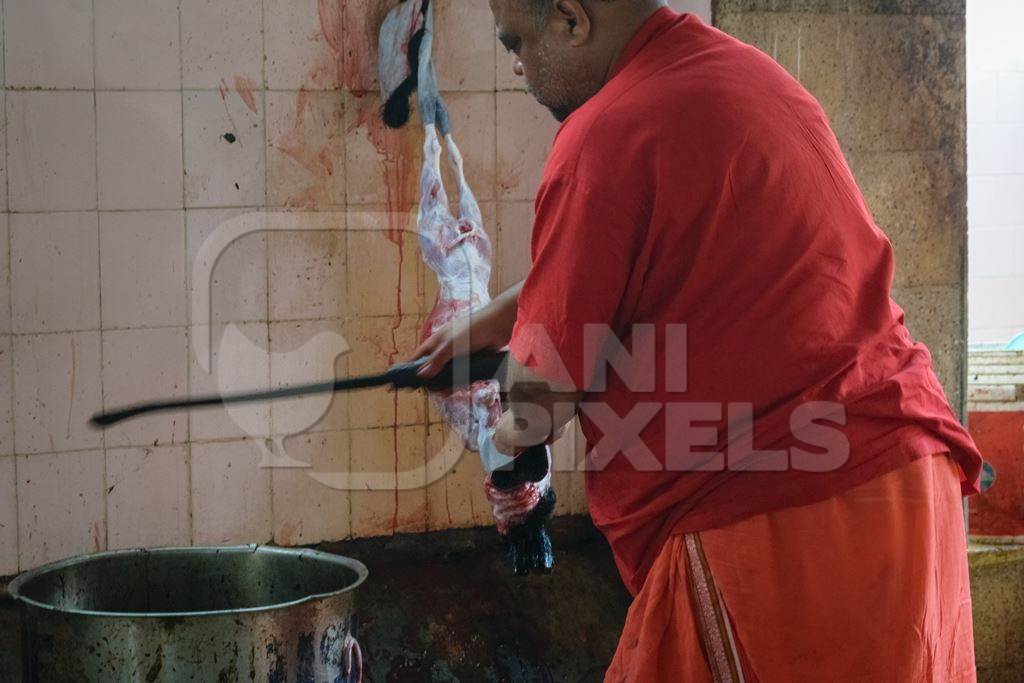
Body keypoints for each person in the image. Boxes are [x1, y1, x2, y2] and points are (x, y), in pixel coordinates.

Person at [411, 1, 982, 680]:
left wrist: (498, 443)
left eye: (519, 43)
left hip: (785, 518)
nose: (517, 66)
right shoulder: (749, 78)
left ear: (571, 18)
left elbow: (542, 396)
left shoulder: (602, 133)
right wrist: (480, 329)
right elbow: (620, 261)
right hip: (907, 487)